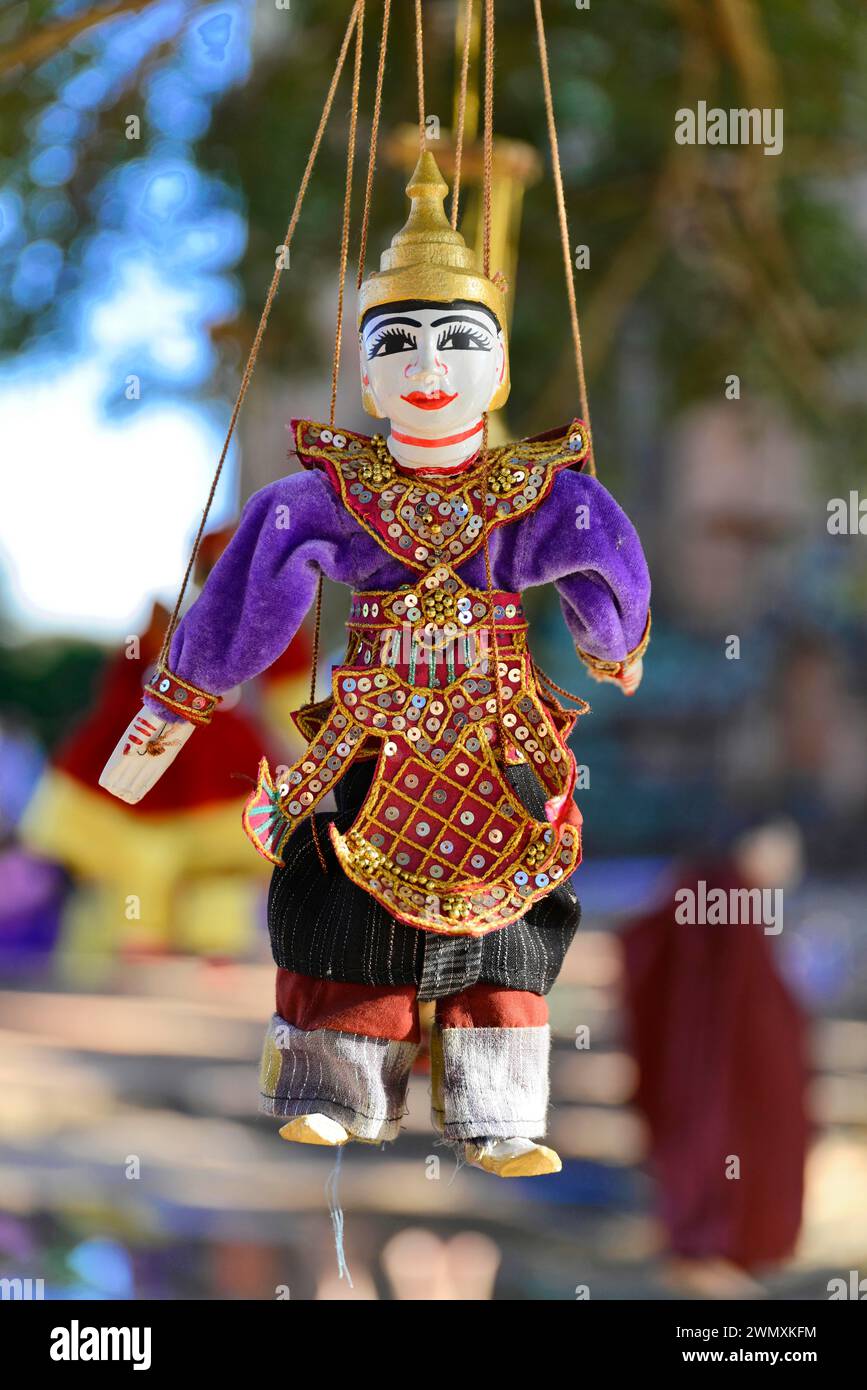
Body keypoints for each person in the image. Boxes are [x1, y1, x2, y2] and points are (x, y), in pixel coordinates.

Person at [99, 153, 651, 1177]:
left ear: (496, 372)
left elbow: (600, 540)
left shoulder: (533, 490)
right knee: (342, 908)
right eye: (397, 343)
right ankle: (334, 1088)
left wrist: (608, 634)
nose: (430, 366)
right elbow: (254, 582)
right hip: (373, 731)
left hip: (499, 733)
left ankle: (498, 1110)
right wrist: (176, 701)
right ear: (365, 372)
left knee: (511, 918)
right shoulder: (327, 497)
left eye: (459, 341)